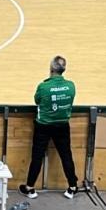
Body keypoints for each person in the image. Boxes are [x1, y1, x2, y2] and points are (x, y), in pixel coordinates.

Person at [20, 56, 79, 200]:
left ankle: (30, 187)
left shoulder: (44, 87)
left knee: (37, 156)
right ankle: (72, 187)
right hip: (62, 125)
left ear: (51, 68)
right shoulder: (71, 86)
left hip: (44, 126)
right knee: (66, 155)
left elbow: (37, 100)